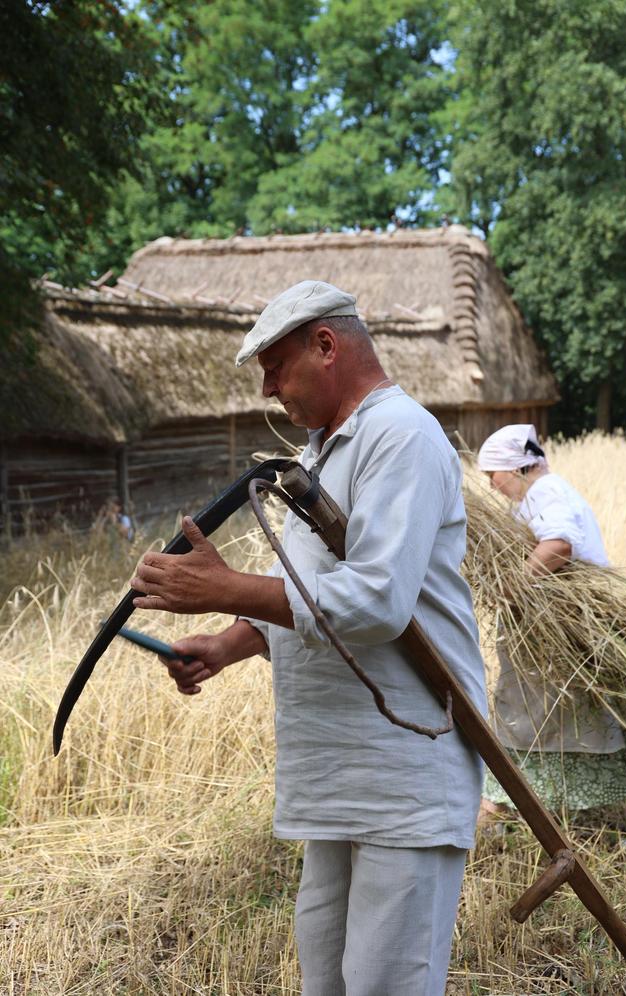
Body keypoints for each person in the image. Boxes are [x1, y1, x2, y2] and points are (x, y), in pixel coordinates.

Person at [130, 280, 488, 994]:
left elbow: (377, 601)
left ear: (326, 346)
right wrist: (231, 641)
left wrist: (225, 587)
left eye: (274, 365)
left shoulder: (400, 435)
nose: (267, 389)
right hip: (342, 771)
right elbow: (301, 586)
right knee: (326, 978)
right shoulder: (324, 452)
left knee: (388, 983)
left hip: (406, 770)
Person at [477, 424, 626, 848]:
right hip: (555, 636)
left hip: (576, 636)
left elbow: (559, 544)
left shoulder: (546, 491)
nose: (491, 484)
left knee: (605, 717)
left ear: (517, 467)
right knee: (534, 715)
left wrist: (513, 585)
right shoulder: (537, 493)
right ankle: (497, 807)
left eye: (494, 473)